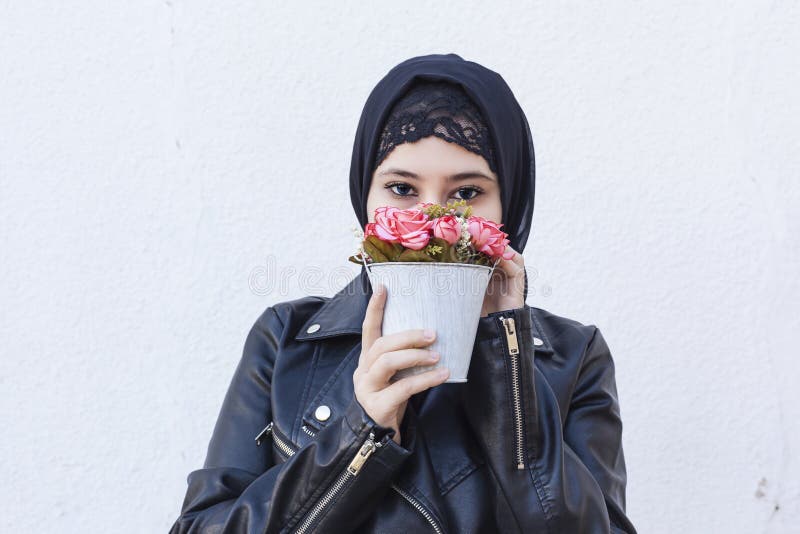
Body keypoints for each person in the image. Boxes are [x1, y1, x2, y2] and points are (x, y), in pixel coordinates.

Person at [169, 53, 638, 534]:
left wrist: (508, 370)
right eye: (401, 188)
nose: (433, 219)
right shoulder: (287, 341)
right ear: (365, 198)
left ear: (509, 206)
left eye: (466, 193)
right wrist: (361, 434)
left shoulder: (575, 357)